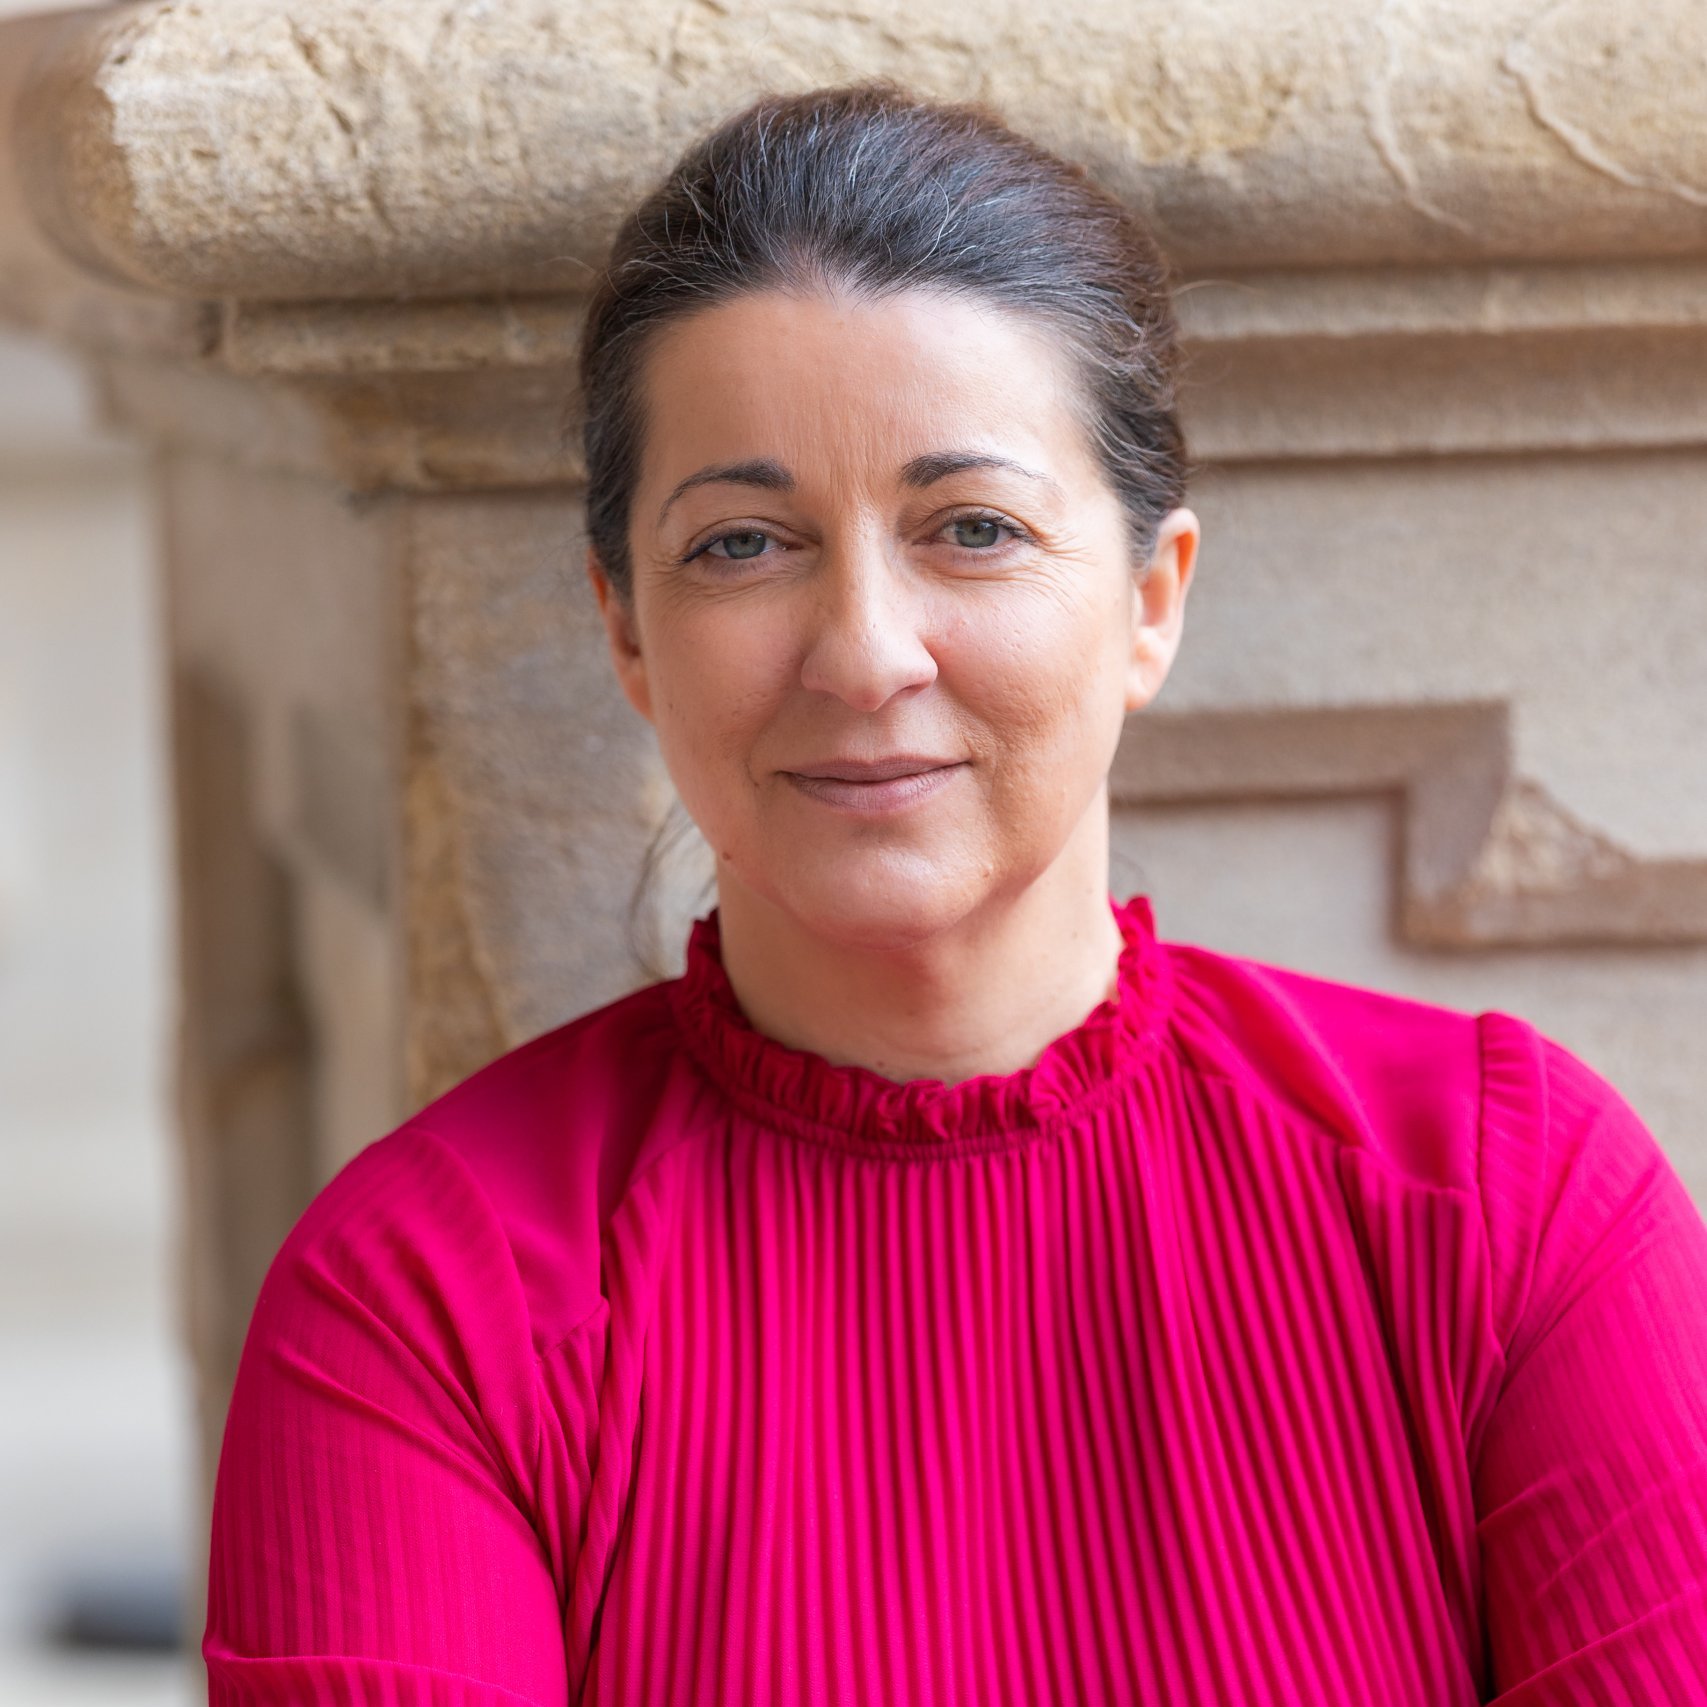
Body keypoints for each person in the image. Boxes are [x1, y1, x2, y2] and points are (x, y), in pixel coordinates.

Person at [201, 82, 1707, 1704]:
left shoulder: (1508, 1201)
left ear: (1149, 599)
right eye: (741, 546)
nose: (862, 654)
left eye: (971, 528)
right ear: (626, 630)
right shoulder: (425, 1304)